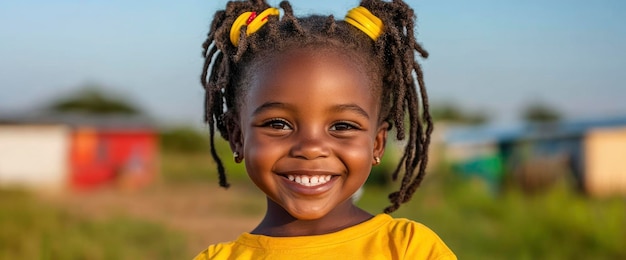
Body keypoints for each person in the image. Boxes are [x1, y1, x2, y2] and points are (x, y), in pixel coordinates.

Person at [194, 0, 456, 259]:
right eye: (278, 124)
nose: (311, 148)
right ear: (238, 137)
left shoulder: (409, 249)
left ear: (377, 144)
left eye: (342, 126)